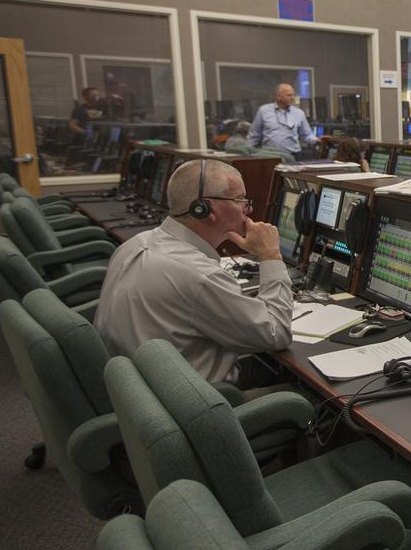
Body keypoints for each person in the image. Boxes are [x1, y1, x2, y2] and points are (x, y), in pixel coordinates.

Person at [94, 160, 292, 385]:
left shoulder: (134, 244)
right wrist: (270, 255)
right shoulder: (200, 276)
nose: (249, 209)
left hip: (134, 391)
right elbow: (277, 333)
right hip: (193, 400)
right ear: (207, 208)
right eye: (241, 200)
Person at [248, 83, 318, 158]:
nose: (292, 98)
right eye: (289, 95)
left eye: (293, 95)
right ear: (278, 96)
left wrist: (318, 140)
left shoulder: (299, 113)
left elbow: (307, 135)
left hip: (292, 155)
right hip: (269, 155)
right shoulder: (264, 111)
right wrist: (248, 154)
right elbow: (254, 135)